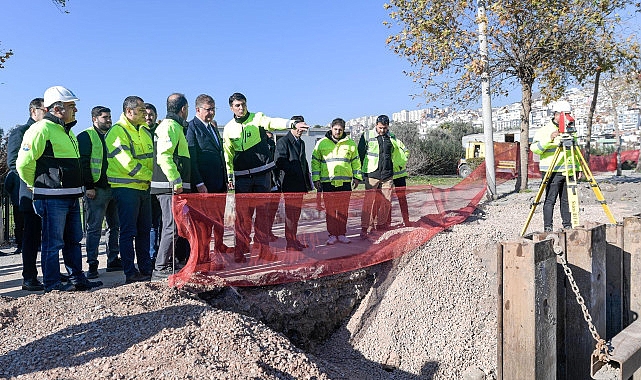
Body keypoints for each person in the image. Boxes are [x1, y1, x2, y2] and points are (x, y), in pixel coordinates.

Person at [16, 86, 103, 292]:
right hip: (51, 197)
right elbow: (23, 163)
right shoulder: (41, 129)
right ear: (57, 109)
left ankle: (77, 279)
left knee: (73, 241)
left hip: (71, 196)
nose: (75, 110)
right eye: (71, 105)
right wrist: (34, 186)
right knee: (52, 244)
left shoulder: (67, 132)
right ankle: (53, 285)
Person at [223, 92, 309, 263]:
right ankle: (240, 250)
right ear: (231, 108)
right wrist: (230, 175)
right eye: (238, 105)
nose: (241, 108)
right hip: (242, 179)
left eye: (243, 104)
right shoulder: (228, 128)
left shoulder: (257, 118)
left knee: (263, 217)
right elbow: (228, 155)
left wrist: (291, 123)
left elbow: (272, 122)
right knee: (243, 218)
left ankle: (264, 251)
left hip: (262, 175)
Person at [105, 96, 154, 284]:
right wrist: (152, 176)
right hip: (126, 188)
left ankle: (145, 269)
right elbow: (127, 163)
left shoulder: (144, 130)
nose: (145, 113)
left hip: (144, 188)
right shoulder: (117, 132)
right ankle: (130, 272)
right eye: (141, 110)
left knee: (144, 230)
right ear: (129, 112)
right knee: (128, 232)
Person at [5, 98, 45, 291]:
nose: (48, 112)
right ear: (33, 111)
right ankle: (29, 276)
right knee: (31, 237)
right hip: (30, 192)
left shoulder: (49, 131)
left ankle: (50, 271)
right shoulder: (20, 132)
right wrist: (37, 177)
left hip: (50, 192)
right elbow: (13, 162)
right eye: (44, 109)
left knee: (50, 236)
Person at [77, 106, 122, 279]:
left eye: (110, 117)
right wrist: (88, 186)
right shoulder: (86, 136)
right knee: (94, 228)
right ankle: (92, 264)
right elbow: (84, 163)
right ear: (94, 119)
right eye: (105, 117)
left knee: (114, 226)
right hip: (96, 190)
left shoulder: (113, 136)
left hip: (113, 187)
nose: (109, 120)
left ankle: (112, 259)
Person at [151, 93, 192, 280]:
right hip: (168, 186)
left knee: (172, 226)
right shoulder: (170, 126)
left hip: (169, 186)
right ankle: (161, 268)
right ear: (183, 109)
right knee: (170, 227)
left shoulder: (173, 126)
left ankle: (168, 264)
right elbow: (164, 157)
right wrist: (176, 181)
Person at [186, 94, 231, 255]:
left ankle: (219, 247)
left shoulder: (212, 128)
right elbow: (192, 158)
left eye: (213, 109)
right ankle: (203, 253)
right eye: (208, 109)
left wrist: (226, 181)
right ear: (198, 109)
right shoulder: (192, 128)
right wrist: (199, 183)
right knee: (204, 223)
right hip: (204, 184)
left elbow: (220, 155)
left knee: (219, 218)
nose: (211, 112)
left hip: (219, 183)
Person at [531, 100, 582, 232]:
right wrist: (550, 138)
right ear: (557, 114)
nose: (568, 117)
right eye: (566, 114)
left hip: (568, 171)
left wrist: (578, 168)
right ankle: (548, 228)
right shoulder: (545, 130)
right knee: (550, 200)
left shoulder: (571, 130)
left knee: (566, 201)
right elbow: (535, 148)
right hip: (551, 171)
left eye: (569, 114)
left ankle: (567, 226)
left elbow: (574, 151)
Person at [311, 118, 361, 245]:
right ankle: (332, 235)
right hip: (328, 183)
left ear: (343, 130)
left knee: (343, 210)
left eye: (340, 130)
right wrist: (316, 179)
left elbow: (356, 162)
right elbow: (315, 162)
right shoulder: (321, 143)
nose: (338, 132)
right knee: (331, 210)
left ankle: (342, 234)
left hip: (345, 182)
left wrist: (357, 177)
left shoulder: (350, 143)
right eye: (335, 129)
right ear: (331, 128)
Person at [358, 115, 405, 238]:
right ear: (376, 125)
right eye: (380, 128)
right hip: (372, 174)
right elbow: (360, 155)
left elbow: (397, 153)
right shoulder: (366, 136)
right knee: (369, 201)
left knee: (386, 201)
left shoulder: (392, 137)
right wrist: (361, 173)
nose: (382, 130)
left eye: (384, 128)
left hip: (388, 175)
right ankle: (365, 227)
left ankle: (380, 225)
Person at [275, 115, 313, 251]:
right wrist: (294, 170)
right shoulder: (283, 142)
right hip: (290, 183)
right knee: (290, 215)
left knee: (296, 214)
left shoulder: (301, 143)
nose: (301, 131)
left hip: (300, 184)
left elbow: (304, 162)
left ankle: (294, 239)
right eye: (299, 127)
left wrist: (307, 180)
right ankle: (290, 243)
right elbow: (279, 161)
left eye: (303, 128)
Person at [145, 103, 161, 264]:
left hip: (160, 183)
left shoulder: (160, 131)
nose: (149, 117)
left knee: (160, 222)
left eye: (151, 114)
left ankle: (159, 254)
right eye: (146, 114)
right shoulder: (139, 132)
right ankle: (150, 255)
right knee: (149, 224)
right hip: (144, 183)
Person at [264, 130, 280, 242]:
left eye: (271, 139)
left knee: (272, 211)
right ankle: (263, 234)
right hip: (265, 183)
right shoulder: (262, 149)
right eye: (267, 138)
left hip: (275, 183)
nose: (270, 141)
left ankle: (269, 231)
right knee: (264, 211)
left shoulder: (275, 148)